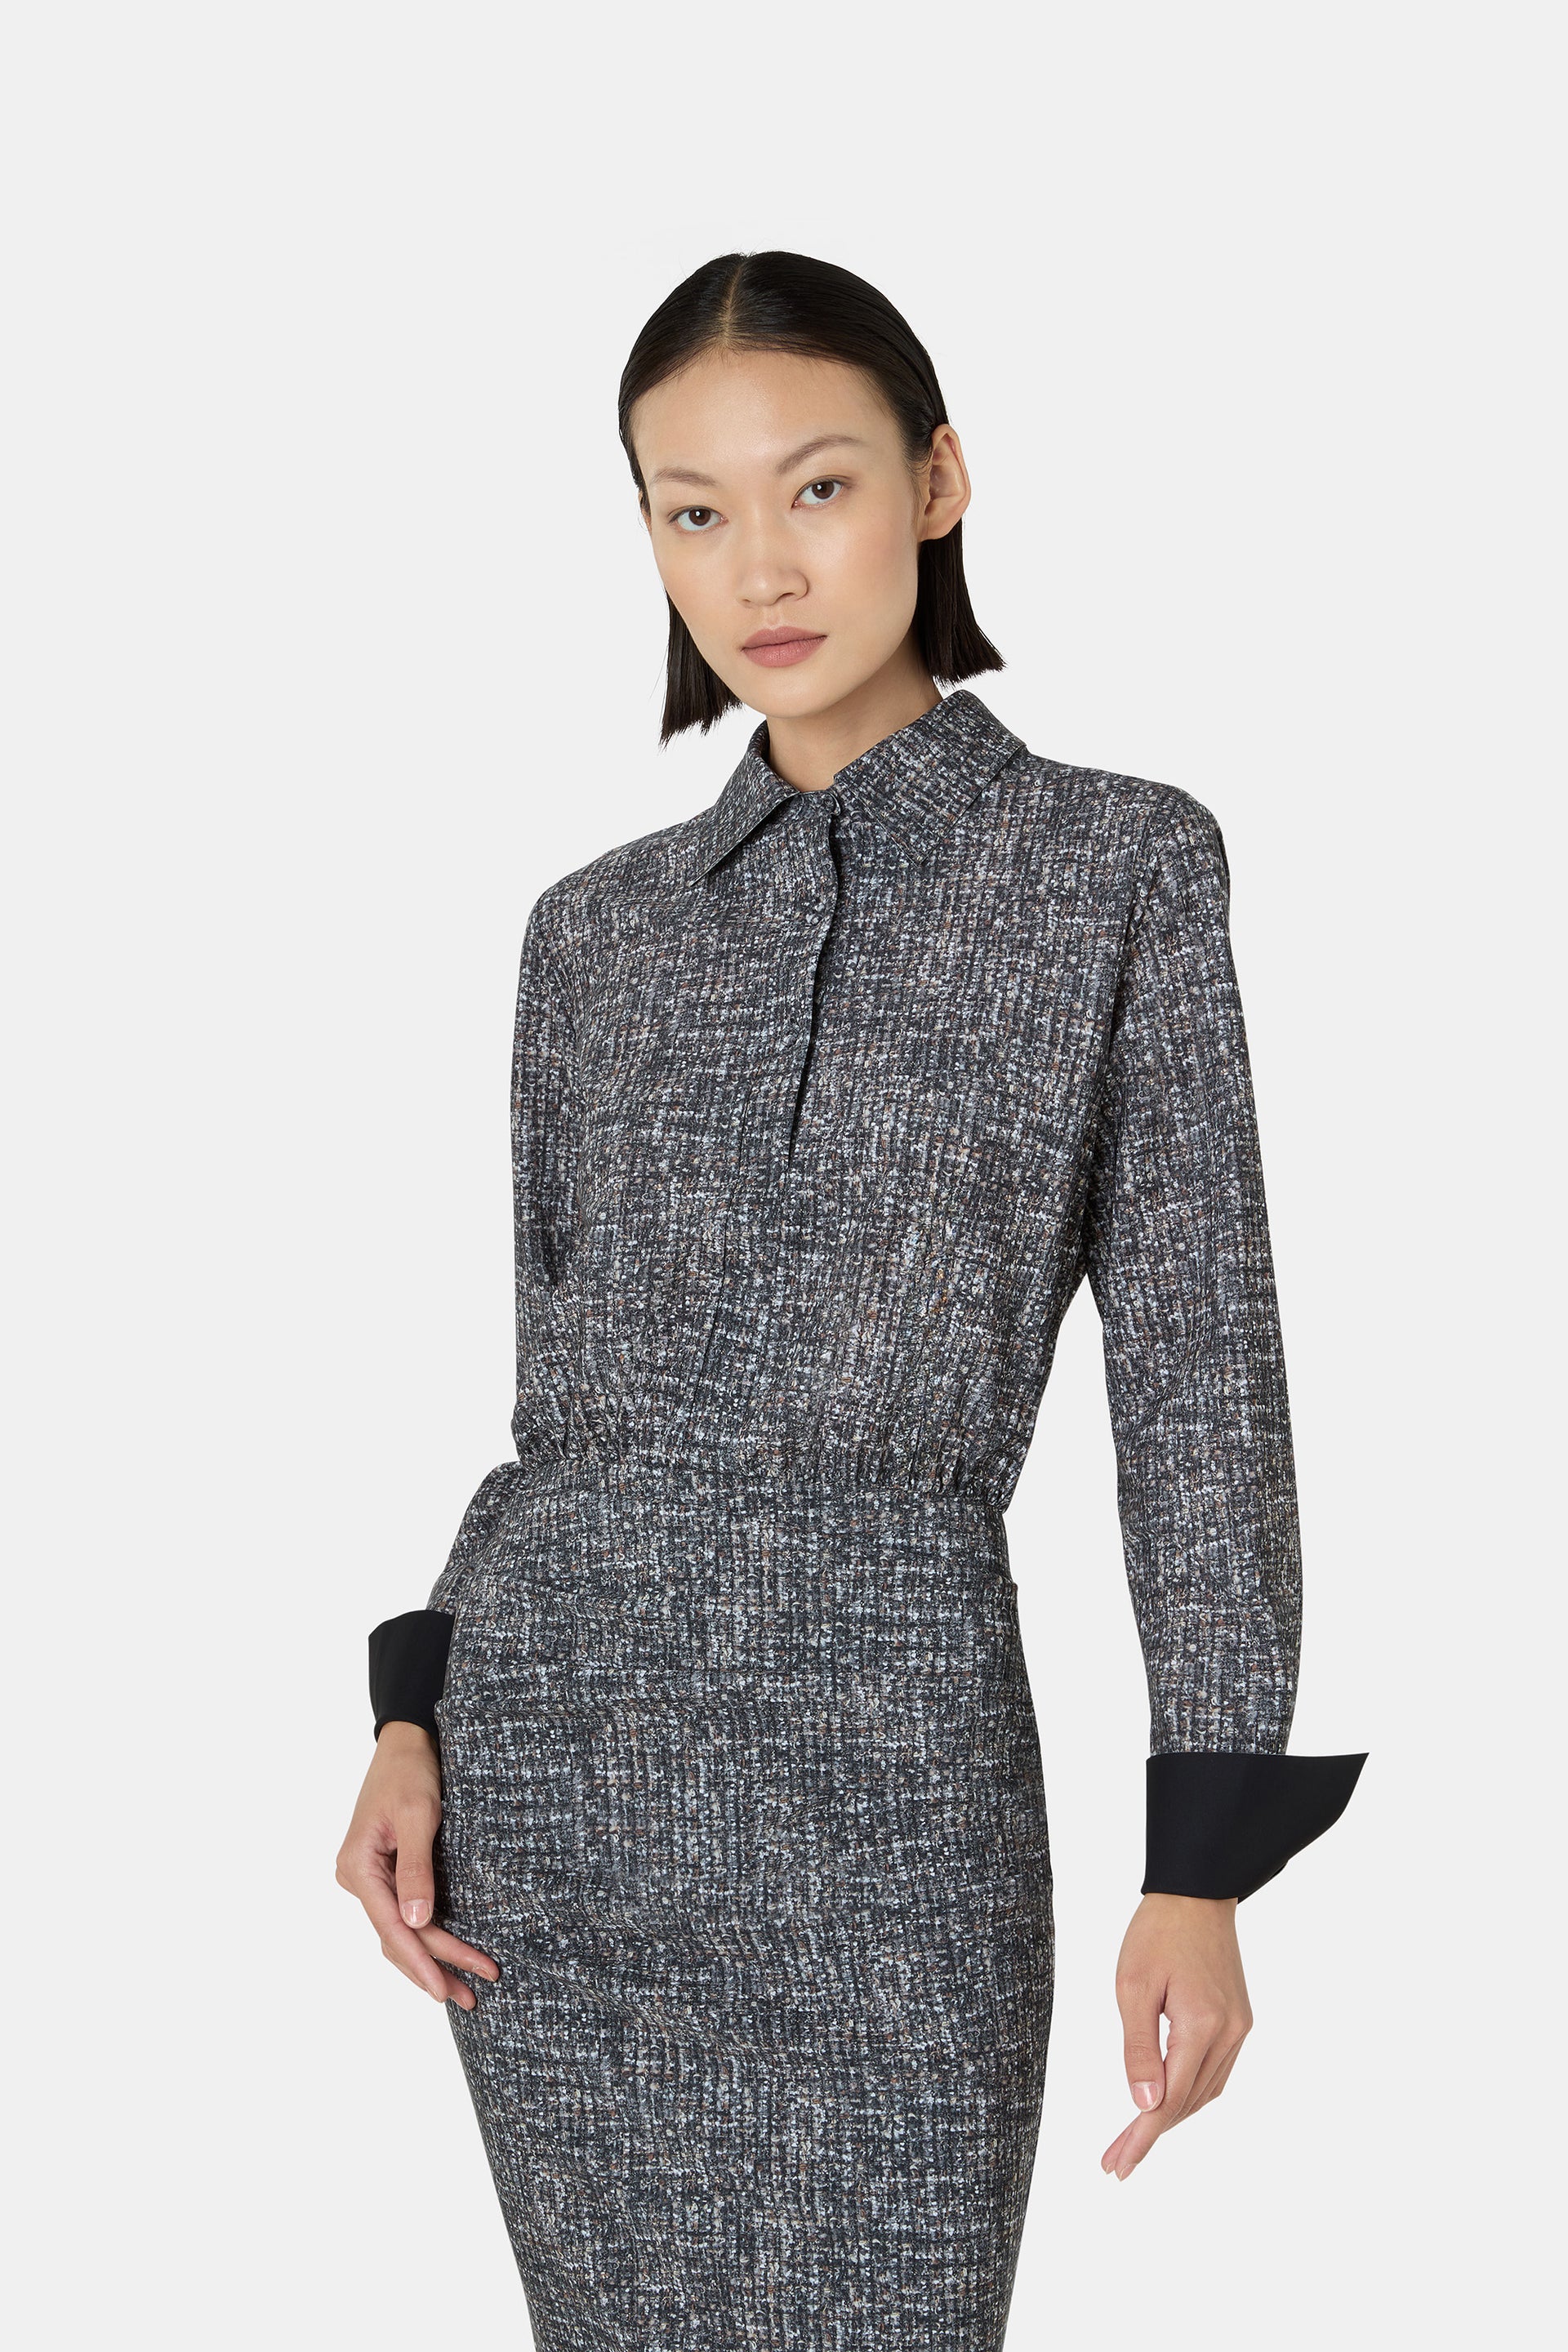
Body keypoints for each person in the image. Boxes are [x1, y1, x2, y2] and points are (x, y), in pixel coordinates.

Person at [336, 249, 1364, 2349]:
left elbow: (1202, 1388)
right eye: (691, 509)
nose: (760, 566)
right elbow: (557, 1412)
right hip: (554, 1789)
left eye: (817, 487)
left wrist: (1204, 1856)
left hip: (893, 1789)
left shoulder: (1116, 868)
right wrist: (411, 1718)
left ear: (937, 483)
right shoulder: (593, 933)